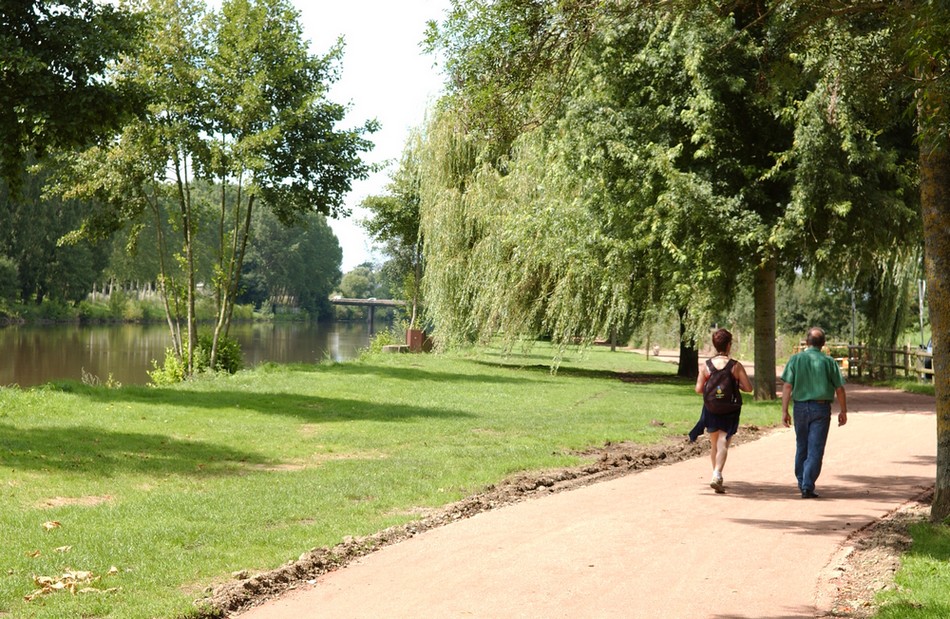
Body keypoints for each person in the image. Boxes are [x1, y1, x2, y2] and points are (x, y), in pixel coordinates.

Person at [781, 327, 848, 499]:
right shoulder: (829, 362)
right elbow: (839, 388)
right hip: (821, 408)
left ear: (806, 341)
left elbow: (787, 386)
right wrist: (843, 410)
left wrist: (784, 411)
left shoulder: (795, 360)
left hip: (800, 407)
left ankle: (802, 481)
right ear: (823, 344)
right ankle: (807, 485)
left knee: (801, 445)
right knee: (816, 448)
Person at [694, 328, 753, 493]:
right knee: (723, 442)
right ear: (729, 345)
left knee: (714, 444)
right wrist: (735, 384)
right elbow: (748, 388)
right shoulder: (735, 366)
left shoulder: (705, 366)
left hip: (711, 408)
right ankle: (717, 474)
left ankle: (716, 475)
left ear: (714, 344)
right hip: (729, 409)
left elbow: (698, 389)